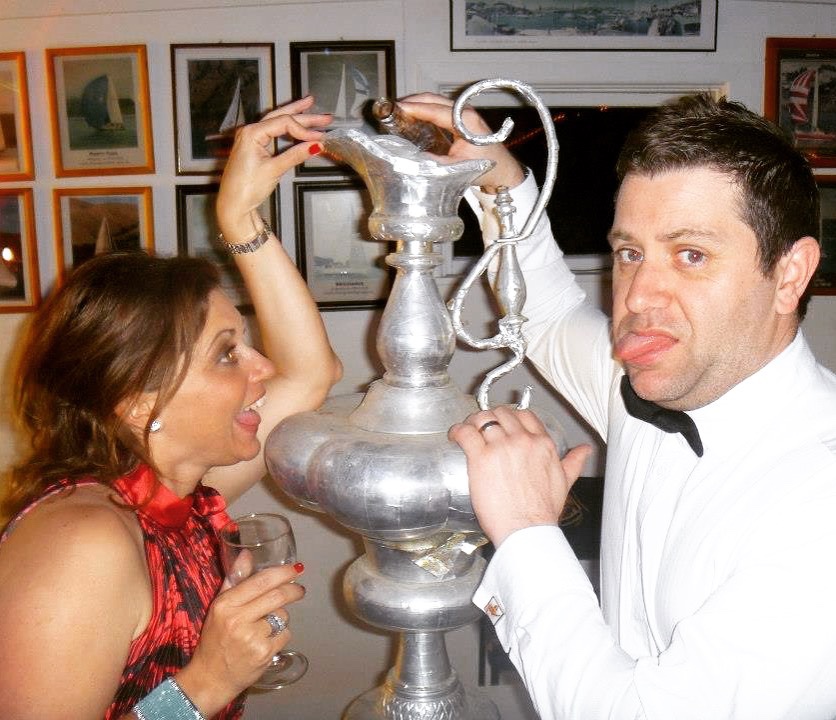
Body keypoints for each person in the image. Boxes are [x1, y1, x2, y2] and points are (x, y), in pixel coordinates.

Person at [401, 91, 836, 718]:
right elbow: (546, 311)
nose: (639, 297)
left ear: (790, 275)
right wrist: (501, 179)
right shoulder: (652, 378)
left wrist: (525, 530)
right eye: (631, 253)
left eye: (691, 255)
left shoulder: (818, 503)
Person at [0, 96, 342, 720]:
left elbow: (310, 374)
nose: (261, 367)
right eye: (225, 354)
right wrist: (208, 682)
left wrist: (239, 218)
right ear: (138, 402)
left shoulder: (167, 497)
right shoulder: (83, 544)